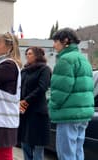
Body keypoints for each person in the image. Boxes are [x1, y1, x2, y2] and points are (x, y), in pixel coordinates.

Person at [48, 28, 94, 160]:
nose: (54, 45)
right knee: (78, 152)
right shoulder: (83, 59)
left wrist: (52, 106)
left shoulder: (65, 60)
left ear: (66, 41)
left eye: (56, 41)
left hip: (68, 114)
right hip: (83, 113)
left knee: (66, 154)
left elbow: (60, 90)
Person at [0, 32, 22, 160]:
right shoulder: (3, 65)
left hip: (4, 121)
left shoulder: (8, 65)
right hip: (1, 120)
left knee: (2, 155)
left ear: (9, 47)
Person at [18, 47, 51, 160]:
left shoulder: (44, 69)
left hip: (38, 112)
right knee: (24, 143)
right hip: (24, 111)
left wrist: (26, 100)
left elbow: (42, 88)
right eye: (26, 53)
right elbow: (19, 88)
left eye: (30, 53)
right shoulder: (24, 71)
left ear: (37, 55)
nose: (27, 55)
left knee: (37, 145)